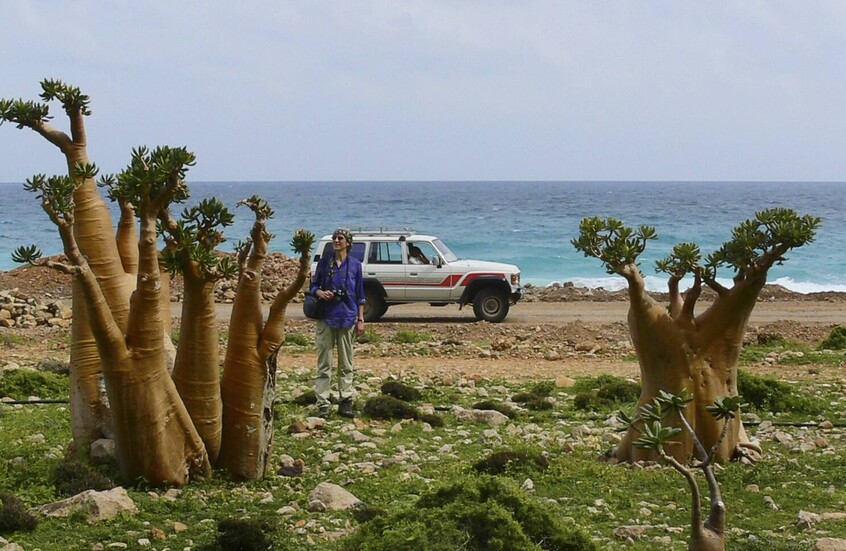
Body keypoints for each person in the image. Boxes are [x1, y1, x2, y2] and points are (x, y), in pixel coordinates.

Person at [311, 228, 366, 418]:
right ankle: (323, 404)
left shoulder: (356, 266)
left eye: (340, 238)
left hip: (348, 317)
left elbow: (360, 295)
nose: (336, 240)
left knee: (346, 363)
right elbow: (313, 285)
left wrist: (361, 319)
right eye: (334, 238)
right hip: (327, 317)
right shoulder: (325, 263)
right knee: (324, 362)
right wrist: (320, 293)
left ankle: (345, 401)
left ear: (348, 242)